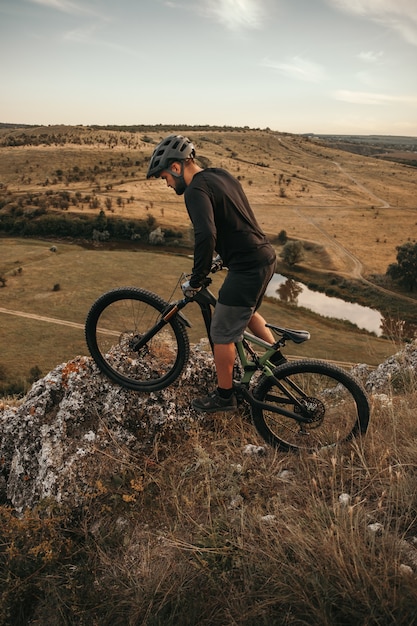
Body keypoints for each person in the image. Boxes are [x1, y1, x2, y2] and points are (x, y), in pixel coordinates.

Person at [146, 134, 277, 413]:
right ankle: (279, 366)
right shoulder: (220, 175)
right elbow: (236, 220)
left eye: (164, 176)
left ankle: (224, 396)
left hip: (247, 267)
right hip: (263, 257)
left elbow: (206, 234)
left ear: (177, 167)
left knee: (221, 332)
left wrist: (197, 278)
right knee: (246, 312)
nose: (167, 183)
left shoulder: (195, 191)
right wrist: (222, 259)